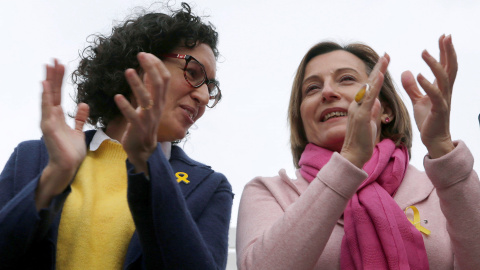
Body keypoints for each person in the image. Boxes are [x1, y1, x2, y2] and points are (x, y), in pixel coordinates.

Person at [0, 3, 233, 269]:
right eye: (193, 73)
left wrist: (149, 163)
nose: (203, 97)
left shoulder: (210, 187)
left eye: (211, 89)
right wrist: (54, 177)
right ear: (143, 63)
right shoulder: (31, 158)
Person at [236, 35, 480, 269]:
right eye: (312, 88)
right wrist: (349, 160)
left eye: (346, 79)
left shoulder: (441, 190)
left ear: (387, 110)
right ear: (301, 121)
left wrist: (441, 146)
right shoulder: (270, 193)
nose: (327, 92)